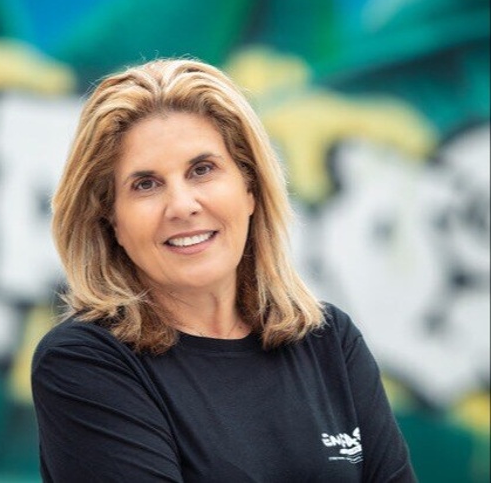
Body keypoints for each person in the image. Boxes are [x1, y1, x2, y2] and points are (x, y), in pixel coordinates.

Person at [31, 58, 417, 482]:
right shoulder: (83, 363)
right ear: (111, 220)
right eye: (146, 184)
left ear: (250, 188)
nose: (182, 206)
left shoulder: (330, 343)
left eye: (202, 170)